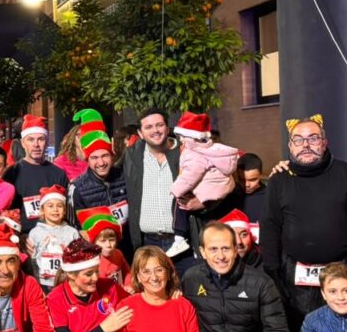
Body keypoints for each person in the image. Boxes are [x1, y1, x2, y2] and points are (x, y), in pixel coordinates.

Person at [261, 115, 347, 332]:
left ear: (324, 142)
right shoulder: (279, 180)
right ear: (290, 146)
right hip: (295, 274)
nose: (306, 145)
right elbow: (270, 226)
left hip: (345, 268)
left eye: (313, 138)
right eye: (299, 140)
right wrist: (272, 272)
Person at [169, 112, 238, 259]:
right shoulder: (214, 150)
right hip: (215, 190)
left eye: (182, 139)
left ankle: (180, 238)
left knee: (178, 201)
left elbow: (190, 176)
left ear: (190, 139)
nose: (181, 142)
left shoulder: (193, 154)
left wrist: (175, 189)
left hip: (207, 197)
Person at [68, 108, 132, 256]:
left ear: (112, 155)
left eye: (105, 156)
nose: (101, 162)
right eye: (94, 158)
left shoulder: (126, 176)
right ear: (87, 160)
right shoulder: (77, 188)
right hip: (97, 255)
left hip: (129, 250)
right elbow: (74, 227)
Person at [123, 108, 183, 255]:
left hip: (181, 242)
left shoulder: (184, 152)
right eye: (148, 127)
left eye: (159, 125)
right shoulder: (132, 155)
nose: (155, 130)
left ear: (167, 128)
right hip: (148, 243)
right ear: (140, 133)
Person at [4, 115, 69, 233]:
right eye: (31, 139)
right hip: (23, 240)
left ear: (47, 141)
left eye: (41, 139)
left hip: (54, 239)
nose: (36, 144)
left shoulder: (59, 174)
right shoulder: (11, 173)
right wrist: (20, 238)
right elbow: (6, 213)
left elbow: (65, 212)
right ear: (23, 143)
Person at [27, 185, 77, 293]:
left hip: (67, 281)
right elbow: (32, 260)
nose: (55, 209)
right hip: (44, 283)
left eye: (59, 206)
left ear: (64, 210)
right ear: (42, 210)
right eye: (50, 206)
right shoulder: (35, 233)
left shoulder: (72, 232)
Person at [77, 208, 131, 289]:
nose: (108, 245)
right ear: (93, 243)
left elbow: (127, 272)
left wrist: (129, 285)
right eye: (103, 241)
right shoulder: (92, 262)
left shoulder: (118, 254)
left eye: (112, 240)